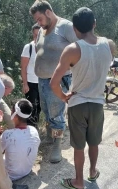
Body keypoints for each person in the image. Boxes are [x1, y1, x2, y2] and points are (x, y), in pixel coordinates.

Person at [50, 7, 115, 189]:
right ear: (94, 24)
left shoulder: (72, 49)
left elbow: (54, 83)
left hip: (78, 104)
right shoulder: (108, 45)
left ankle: (78, 181)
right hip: (97, 104)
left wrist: (64, 97)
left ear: (75, 29)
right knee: (93, 142)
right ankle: (93, 172)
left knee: (78, 147)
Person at [30, 0, 78, 163]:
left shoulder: (66, 27)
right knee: (46, 110)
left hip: (58, 80)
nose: (38, 22)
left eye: (39, 19)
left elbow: (81, 48)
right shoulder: (44, 30)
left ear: (48, 12)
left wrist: (70, 67)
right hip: (42, 80)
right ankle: (51, 137)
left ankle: (57, 144)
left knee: (56, 114)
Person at [21, 24, 41, 127]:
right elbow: (23, 67)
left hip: (43, 82)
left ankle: (35, 127)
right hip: (31, 82)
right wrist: (25, 84)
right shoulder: (28, 47)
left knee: (40, 107)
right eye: (35, 35)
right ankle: (31, 130)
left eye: (39, 35)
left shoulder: (47, 47)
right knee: (31, 107)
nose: (36, 37)